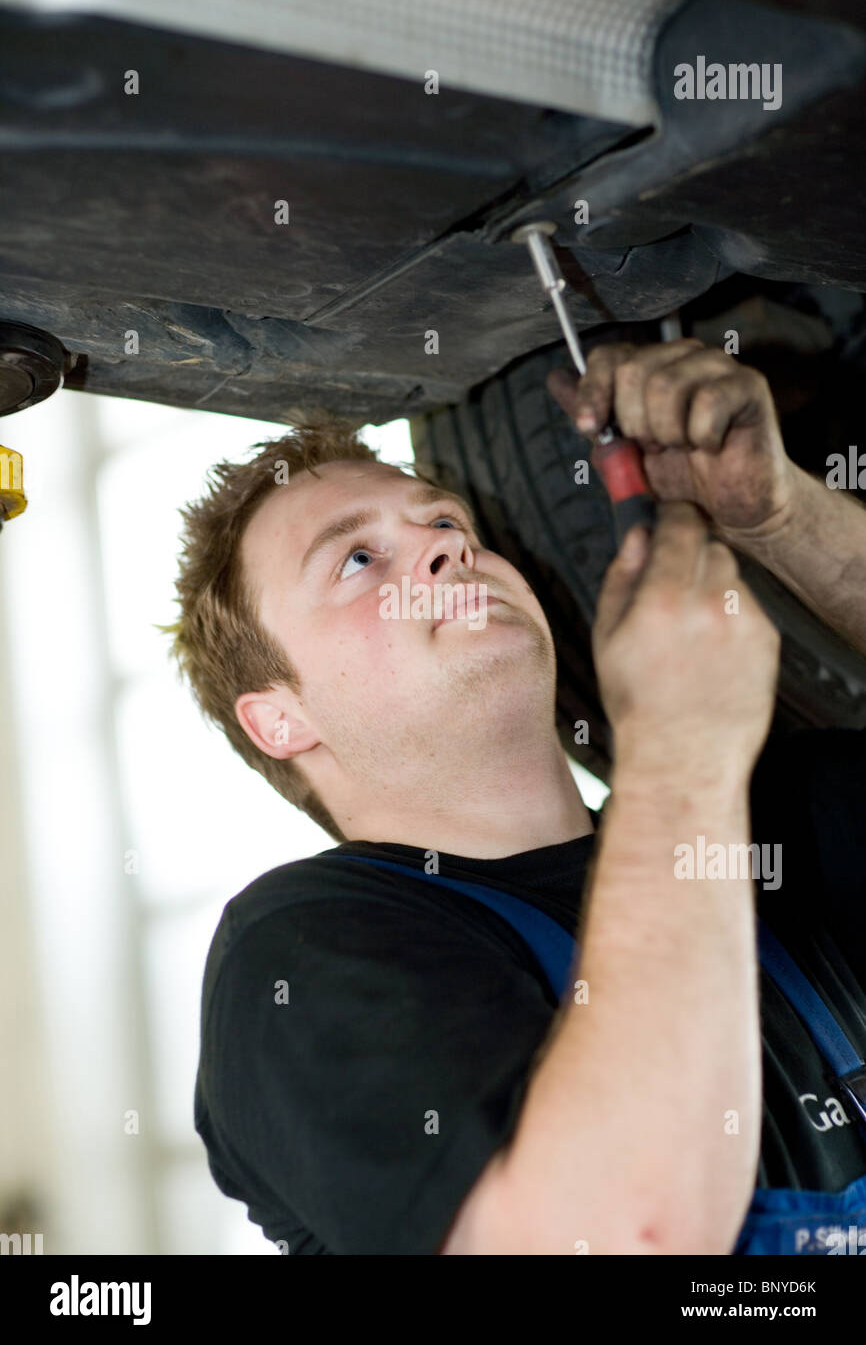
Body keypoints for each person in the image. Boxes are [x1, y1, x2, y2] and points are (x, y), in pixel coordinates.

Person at [170, 338, 866, 1254]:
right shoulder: (300, 954)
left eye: (448, 525)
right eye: (357, 561)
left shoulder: (773, 826)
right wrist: (679, 752)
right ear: (281, 719)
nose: (442, 551)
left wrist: (783, 518)